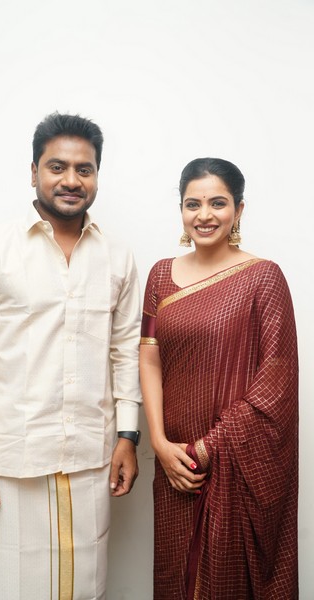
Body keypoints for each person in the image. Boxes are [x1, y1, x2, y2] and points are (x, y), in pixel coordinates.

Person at [0, 112, 142, 600]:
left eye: (84, 169)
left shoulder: (117, 256)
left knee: (84, 588)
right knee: (11, 587)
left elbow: (125, 351)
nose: (71, 180)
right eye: (57, 167)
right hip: (12, 459)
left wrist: (127, 436)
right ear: (34, 172)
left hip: (90, 457)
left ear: (97, 176)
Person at [139, 157, 298, 599]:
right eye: (193, 204)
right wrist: (159, 444)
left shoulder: (263, 277)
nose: (204, 215)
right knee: (177, 575)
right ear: (181, 209)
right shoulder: (160, 275)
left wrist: (209, 448)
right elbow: (149, 359)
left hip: (231, 457)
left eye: (218, 203)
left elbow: (277, 380)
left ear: (239, 210)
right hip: (174, 460)